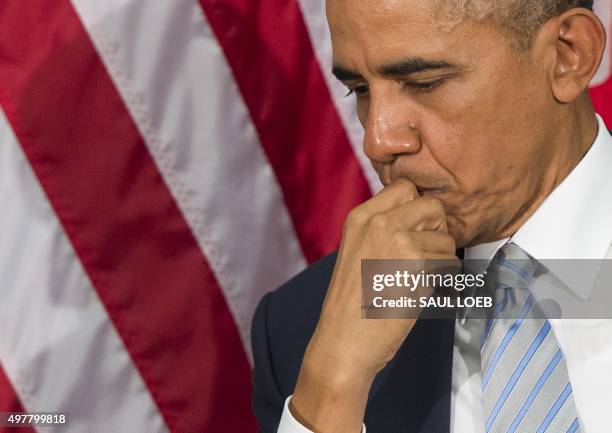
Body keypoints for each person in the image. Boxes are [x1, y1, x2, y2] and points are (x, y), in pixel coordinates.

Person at [251, 0, 612, 432]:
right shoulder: (303, 330)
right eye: (360, 90)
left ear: (568, 55)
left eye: (424, 83)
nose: (378, 140)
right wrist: (331, 391)